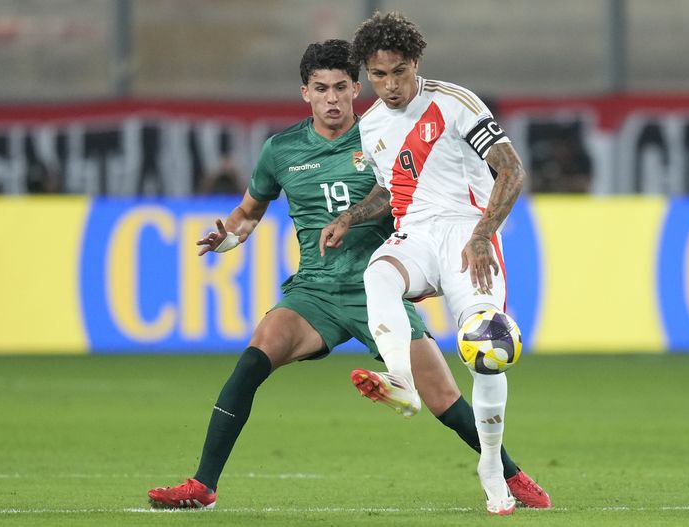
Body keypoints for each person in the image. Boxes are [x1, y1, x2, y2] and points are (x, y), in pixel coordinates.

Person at [147, 39, 549, 513]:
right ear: (305, 93)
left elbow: (409, 194)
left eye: (341, 87)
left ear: (356, 88)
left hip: (377, 288)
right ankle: (203, 485)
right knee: (253, 361)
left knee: (444, 398)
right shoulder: (281, 150)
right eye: (321, 88)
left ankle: (510, 473)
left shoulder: (382, 132)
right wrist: (230, 238)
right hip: (316, 291)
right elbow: (249, 211)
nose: (333, 98)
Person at [319, 13, 550, 515]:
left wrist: (485, 233)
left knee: (488, 350)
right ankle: (401, 382)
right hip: (417, 236)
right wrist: (352, 216)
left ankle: (491, 465)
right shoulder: (373, 124)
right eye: (378, 76)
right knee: (377, 272)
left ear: (415, 63)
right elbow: (389, 187)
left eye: (398, 72)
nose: (389, 85)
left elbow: (511, 169)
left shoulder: (455, 102)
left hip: (467, 235)